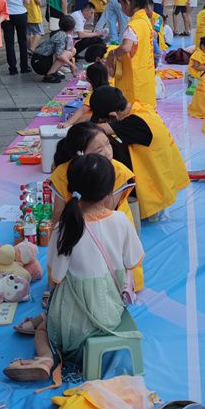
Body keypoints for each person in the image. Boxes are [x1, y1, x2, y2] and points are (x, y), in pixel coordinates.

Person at [4, 154, 144, 381]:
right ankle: (45, 323)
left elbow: (56, 276)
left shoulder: (64, 227)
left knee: (44, 329)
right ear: (110, 191)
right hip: (110, 314)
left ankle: (46, 358)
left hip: (70, 323)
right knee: (58, 310)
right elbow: (132, 261)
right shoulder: (121, 220)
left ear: (70, 189)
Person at [50, 121, 143, 291]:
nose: (108, 152)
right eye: (99, 150)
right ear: (80, 154)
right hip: (81, 233)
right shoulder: (62, 174)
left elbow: (105, 214)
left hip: (108, 233)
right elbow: (57, 216)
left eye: (108, 143)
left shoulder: (118, 172)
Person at [91, 85, 190, 220]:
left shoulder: (135, 123)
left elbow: (98, 129)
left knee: (112, 161)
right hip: (165, 174)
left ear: (113, 115)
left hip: (155, 187)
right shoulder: (141, 109)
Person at [106, 0, 156, 108]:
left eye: (121, 4)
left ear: (127, 3)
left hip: (134, 79)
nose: (121, 8)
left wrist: (112, 53)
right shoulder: (145, 20)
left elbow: (126, 47)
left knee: (132, 108)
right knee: (145, 108)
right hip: (146, 74)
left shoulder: (133, 25)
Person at [60, 63, 109, 128]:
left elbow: (83, 109)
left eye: (86, 76)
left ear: (90, 79)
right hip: (113, 115)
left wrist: (68, 123)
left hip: (105, 119)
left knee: (80, 120)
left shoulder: (95, 92)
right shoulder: (109, 84)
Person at [30, 15, 77, 83]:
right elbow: (59, 55)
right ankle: (49, 75)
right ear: (72, 28)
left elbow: (67, 48)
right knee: (67, 54)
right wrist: (71, 65)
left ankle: (54, 72)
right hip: (40, 62)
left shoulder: (62, 32)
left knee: (72, 51)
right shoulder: (61, 35)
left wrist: (72, 44)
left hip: (41, 59)